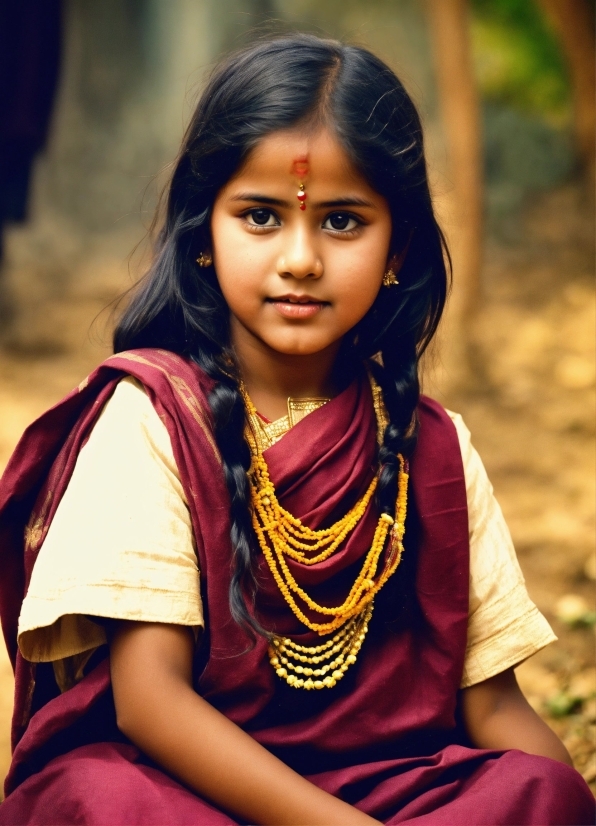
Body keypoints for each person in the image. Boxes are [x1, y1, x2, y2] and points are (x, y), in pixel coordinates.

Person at [0, 34, 593, 825]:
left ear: (399, 246)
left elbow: (493, 709)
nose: (301, 259)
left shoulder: (432, 448)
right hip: (188, 791)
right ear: (203, 234)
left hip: (386, 787)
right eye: (260, 217)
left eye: (343, 221)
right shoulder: (153, 417)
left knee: (542, 791)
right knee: (101, 800)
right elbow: (149, 702)